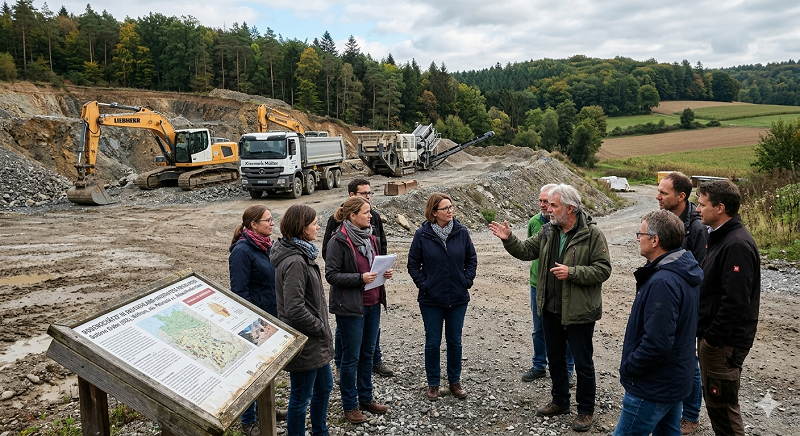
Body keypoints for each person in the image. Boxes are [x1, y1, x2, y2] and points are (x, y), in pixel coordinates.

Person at [489, 184, 611, 432]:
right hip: (550, 309)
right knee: (555, 359)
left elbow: (603, 269)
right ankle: (560, 401)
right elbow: (526, 251)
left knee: (583, 363)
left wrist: (573, 272)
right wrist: (509, 239)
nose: (548, 210)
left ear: (570, 208)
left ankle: (585, 411)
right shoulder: (548, 230)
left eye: (554, 205)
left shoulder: (592, 234)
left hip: (579, 312)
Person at [613, 210, 702, 435]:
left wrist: (631, 368)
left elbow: (657, 342)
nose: (637, 238)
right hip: (672, 380)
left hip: (652, 386)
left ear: (655, 240)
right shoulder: (682, 270)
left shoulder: (664, 281)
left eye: (640, 233)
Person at [695, 180, 760, 436]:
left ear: (720, 208)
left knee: (723, 407)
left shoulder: (736, 245)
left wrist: (712, 339)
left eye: (702, 204)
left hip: (723, 344)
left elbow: (735, 302)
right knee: (716, 405)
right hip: (717, 340)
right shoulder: (721, 237)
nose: (697, 209)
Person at [326, 196, 393, 423]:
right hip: (351, 308)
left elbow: (373, 266)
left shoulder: (371, 237)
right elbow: (331, 275)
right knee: (350, 359)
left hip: (373, 303)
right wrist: (360, 278)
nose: (370, 216)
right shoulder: (339, 241)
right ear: (352, 216)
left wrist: (384, 273)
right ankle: (350, 405)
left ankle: (366, 397)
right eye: (365, 212)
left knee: (367, 354)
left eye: (370, 212)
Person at [270, 205, 334, 436]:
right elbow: (294, 309)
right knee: (301, 397)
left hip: (314, 341)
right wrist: (319, 328)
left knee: (325, 386)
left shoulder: (300, 254)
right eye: (314, 223)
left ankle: (320, 431)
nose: (318, 226)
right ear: (300, 227)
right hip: (307, 341)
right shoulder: (296, 261)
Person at [407, 192, 477, 401]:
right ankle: (433, 384)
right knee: (432, 342)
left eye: (451, 206)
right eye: (445, 208)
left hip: (457, 298)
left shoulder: (461, 232)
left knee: (455, 341)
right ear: (433, 212)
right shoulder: (422, 234)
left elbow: (471, 259)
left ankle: (455, 382)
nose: (450, 211)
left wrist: (466, 281)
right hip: (431, 299)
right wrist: (425, 284)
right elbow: (413, 264)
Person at [657, 171, 708, 435]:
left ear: (681, 196)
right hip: (666, 301)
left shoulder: (696, 228)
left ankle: (690, 415)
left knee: (688, 359)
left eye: (663, 193)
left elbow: (698, 273)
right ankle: (671, 410)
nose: (657, 196)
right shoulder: (664, 220)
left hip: (686, 306)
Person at [228, 205, 281, 435]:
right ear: (253, 225)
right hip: (255, 321)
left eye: (272, 219)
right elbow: (239, 291)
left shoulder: (267, 246)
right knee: (251, 372)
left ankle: (266, 408)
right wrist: (254, 323)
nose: (272, 223)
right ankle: (248, 421)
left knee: (266, 368)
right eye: (267, 220)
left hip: (271, 315)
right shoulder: (242, 251)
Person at [522, 184, 575, 387]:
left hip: (561, 285)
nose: (544, 206)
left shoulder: (564, 225)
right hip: (538, 284)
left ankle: (568, 370)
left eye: (549, 202)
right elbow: (529, 249)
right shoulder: (535, 223)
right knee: (538, 329)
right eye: (542, 201)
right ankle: (538, 365)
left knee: (565, 330)